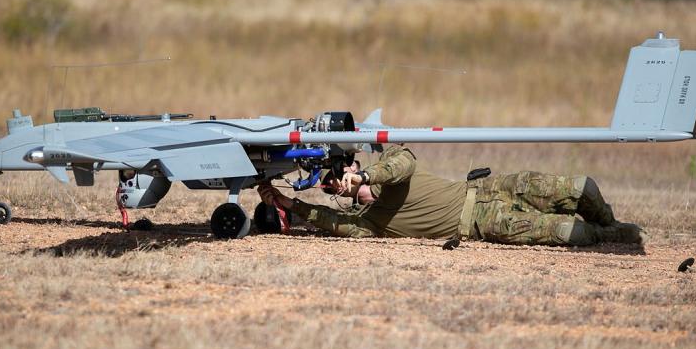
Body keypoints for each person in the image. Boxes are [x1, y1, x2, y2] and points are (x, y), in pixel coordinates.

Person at [257, 145, 645, 246]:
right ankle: (614, 235)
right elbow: (333, 224)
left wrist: (367, 175)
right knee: (568, 234)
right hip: (483, 223)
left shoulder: (391, 163)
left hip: (490, 189)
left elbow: (403, 163)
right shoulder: (370, 225)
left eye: (342, 177)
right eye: (334, 186)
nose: (342, 186)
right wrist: (289, 203)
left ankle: (607, 222)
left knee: (582, 188)